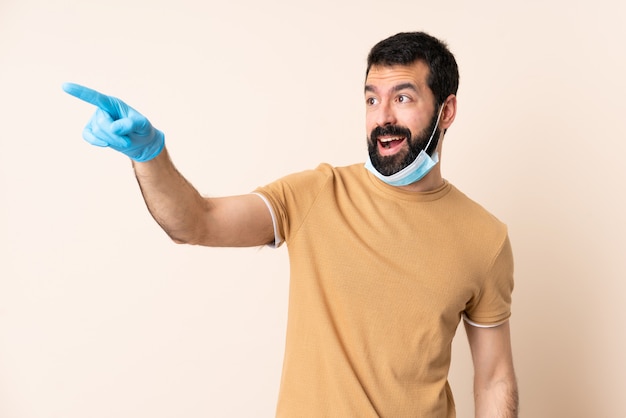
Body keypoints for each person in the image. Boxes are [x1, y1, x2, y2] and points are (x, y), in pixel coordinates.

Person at [63, 31, 518, 417]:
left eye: (403, 98)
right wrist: (150, 156)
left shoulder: (485, 238)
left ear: (447, 110)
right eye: (371, 99)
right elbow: (197, 223)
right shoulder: (318, 194)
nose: (382, 118)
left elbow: (495, 377)